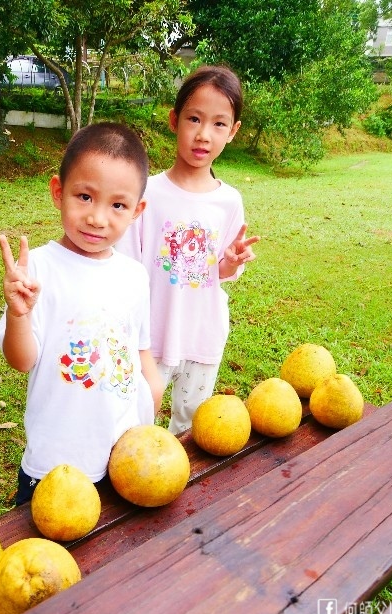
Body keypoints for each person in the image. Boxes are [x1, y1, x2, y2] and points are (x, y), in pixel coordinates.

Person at [0, 123, 164, 505]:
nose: (97, 218)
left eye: (117, 205)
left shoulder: (134, 276)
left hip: (122, 460)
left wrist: (152, 393)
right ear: (59, 192)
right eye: (85, 197)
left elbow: (139, 350)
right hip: (55, 468)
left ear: (137, 210)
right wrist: (18, 314)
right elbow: (21, 361)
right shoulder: (38, 270)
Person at [117, 65, 260, 434]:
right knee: (136, 424)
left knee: (191, 430)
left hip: (201, 334)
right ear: (174, 120)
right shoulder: (146, 192)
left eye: (218, 124)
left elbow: (221, 273)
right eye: (194, 119)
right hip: (151, 336)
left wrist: (230, 262)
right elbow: (127, 268)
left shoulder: (229, 201)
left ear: (233, 131)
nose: (203, 135)